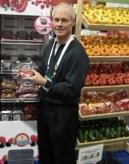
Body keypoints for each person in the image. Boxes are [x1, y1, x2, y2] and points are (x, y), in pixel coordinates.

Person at [24, 2, 90, 164]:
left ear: (73, 23)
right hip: (45, 108)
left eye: (64, 20)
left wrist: (45, 82)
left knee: (62, 157)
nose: (59, 24)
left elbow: (71, 90)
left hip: (63, 114)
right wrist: (33, 72)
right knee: (46, 154)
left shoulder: (78, 53)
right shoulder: (51, 44)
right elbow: (45, 67)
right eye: (56, 20)